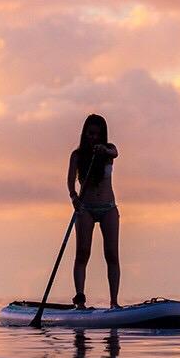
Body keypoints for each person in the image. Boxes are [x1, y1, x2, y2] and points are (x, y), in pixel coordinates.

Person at [67, 114, 120, 309]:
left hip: (108, 208)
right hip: (86, 208)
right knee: (82, 253)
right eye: (90, 134)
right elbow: (70, 180)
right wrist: (74, 197)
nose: (93, 138)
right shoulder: (77, 155)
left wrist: (103, 149)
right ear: (85, 133)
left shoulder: (108, 151)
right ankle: (80, 300)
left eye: (97, 134)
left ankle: (114, 302)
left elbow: (115, 153)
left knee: (112, 255)